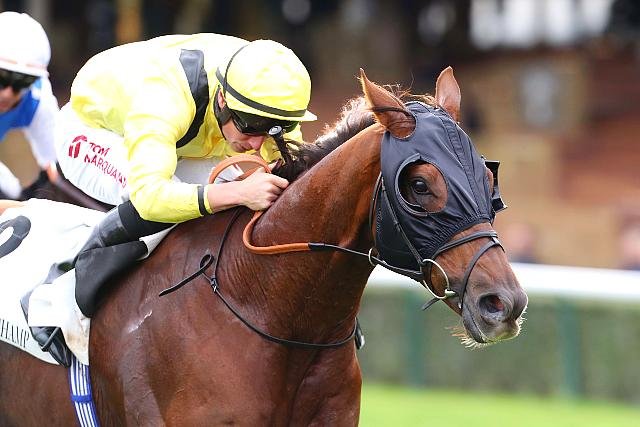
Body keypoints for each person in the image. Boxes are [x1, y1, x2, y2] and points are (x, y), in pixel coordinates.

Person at [24, 33, 316, 366]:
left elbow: (293, 174)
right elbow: (150, 197)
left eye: (274, 129)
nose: (257, 143)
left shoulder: (271, 98)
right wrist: (238, 192)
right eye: (250, 126)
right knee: (168, 207)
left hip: (180, 140)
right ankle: (56, 299)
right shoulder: (166, 95)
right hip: (94, 130)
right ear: (222, 99)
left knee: (234, 199)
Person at [0, 12, 59, 197]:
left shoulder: (38, 100)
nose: (8, 93)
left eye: (22, 81)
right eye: (1, 78)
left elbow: (59, 164)